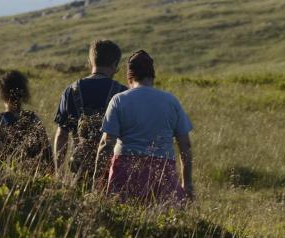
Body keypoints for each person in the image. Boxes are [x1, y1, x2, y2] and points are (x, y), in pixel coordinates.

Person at [94, 49, 194, 204]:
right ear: (152, 75)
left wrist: (97, 183)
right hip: (162, 171)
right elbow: (185, 145)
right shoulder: (170, 101)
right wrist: (187, 183)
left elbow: (106, 144)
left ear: (129, 76)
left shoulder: (119, 100)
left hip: (125, 169)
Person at [54, 39, 127, 185]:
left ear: (90, 62)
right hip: (112, 169)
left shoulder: (71, 90)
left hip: (80, 166)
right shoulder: (123, 93)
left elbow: (62, 135)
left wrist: (59, 172)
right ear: (114, 64)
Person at [0, 70, 53, 170]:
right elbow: (47, 149)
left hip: (9, 174)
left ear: (3, 93)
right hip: (35, 172)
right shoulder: (33, 118)